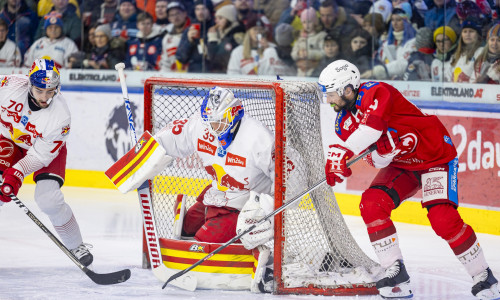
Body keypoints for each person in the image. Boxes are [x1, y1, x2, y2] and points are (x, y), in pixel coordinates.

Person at [317, 59, 500, 300]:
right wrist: (383, 154)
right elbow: (376, 162)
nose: (328, 100)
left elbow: (372, 128)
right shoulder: (343, 123)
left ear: (347, 89)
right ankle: (396, 272)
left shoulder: (376, 91)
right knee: (372, 204)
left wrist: (344, 151)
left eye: (331, 94)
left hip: (435, 157)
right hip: (403, 165)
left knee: (443, 219)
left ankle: (483, 276)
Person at [0, 58, 93, 267]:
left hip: (45, 150)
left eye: (50, 91)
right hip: (8, 140)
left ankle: (76, 245)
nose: (44, 97)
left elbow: (41, 156)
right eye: (39, 90)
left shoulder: (60, 117)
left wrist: (17, 172)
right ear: (29, 84)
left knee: (48, 199)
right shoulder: (9, 86)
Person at [448, 18, 484, 82]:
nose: (467, 34)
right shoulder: (455, 55)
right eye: (465, 31)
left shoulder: (481, 52)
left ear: (478, 35)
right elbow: (448, 78)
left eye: (471, 31)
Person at [159, 1, 190, 72]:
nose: (175, 17)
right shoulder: (167, 38)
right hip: (173, 76)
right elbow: (165, 62)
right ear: (169, 18)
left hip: (191, 75)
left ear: (185, 14)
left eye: (178, 13)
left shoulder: (193, 32)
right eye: (172, 15)